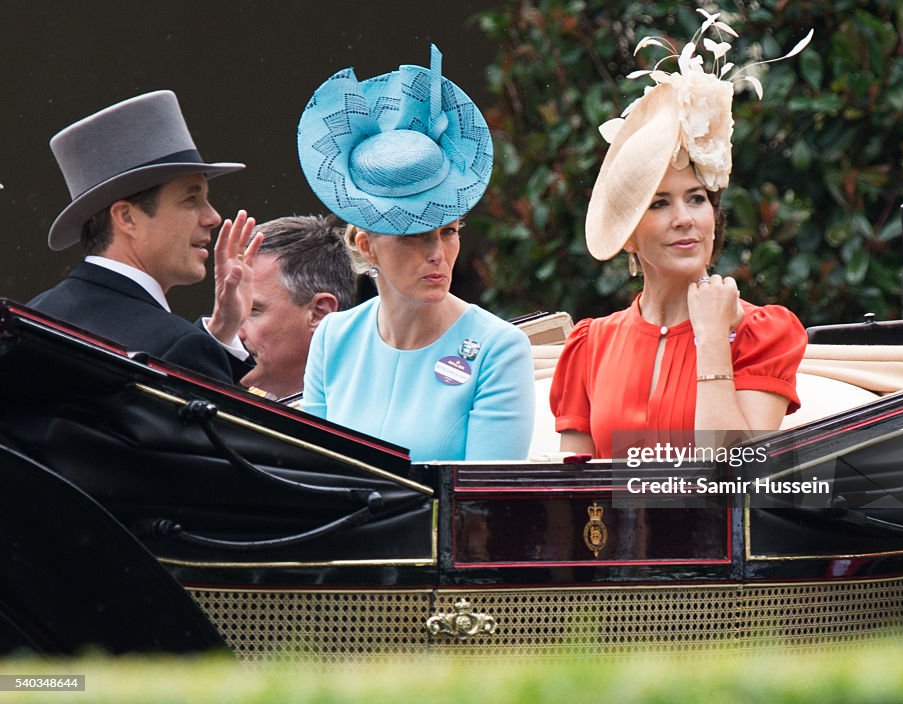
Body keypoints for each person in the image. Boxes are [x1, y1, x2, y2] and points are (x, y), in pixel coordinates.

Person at [550, 18, 812, 458]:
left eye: (695, 199)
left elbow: (735, 477)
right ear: (628, 236)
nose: (684, 219)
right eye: (658, 204)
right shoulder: (589, 346)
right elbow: (575, 501)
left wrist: (712, 340)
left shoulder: (760, 334)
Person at [298, 45, 535, 462]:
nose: (437, 253)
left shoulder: (498, 349)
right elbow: (315, 477)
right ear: (366, 246)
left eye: (448, 231)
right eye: (412, 235)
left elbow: (481, 511)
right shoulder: (333, 339)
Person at [28, 90, 261, 385]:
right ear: (126, 217)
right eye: (191, 199)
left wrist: (222, 332)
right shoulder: (178, 347)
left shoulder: (32, 315)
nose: (212, 217)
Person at [239, 214, 356, 400]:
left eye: (252, 310)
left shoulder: (367, 412)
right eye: (229, 309)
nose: (235, 333)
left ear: (319, 313)